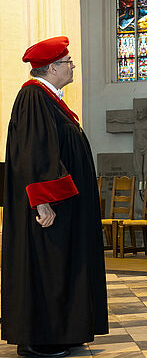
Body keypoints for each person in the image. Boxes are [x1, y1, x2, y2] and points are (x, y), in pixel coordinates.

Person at [2, 36, 109, 357]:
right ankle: (40, 338)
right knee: (47, 266)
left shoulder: (50, 99)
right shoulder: (33, 98)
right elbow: (34, 152)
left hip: (64, 205)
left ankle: (64, 330)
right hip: (50, 207)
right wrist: (42, 199)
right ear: (51, 68)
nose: (72, 66)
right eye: (68, 62)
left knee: (62, 265)